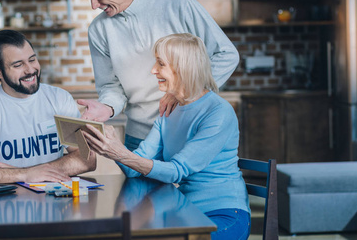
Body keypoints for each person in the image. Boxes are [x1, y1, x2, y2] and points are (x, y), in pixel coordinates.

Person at [83, 33, 250, 240]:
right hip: (185, 211)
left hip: (223, 214)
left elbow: (177, 171)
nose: (153, 70)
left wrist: (122, 154)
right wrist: (108, 144)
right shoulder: (170, 109)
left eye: (160, 64)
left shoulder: (217, 112)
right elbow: (134, 171)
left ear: (183, 67)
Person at [75, 0, 239, 151]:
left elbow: (226, 54)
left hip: (188, 132)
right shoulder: (98, 29)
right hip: (139, 138)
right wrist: (107, 107)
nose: (93, 6)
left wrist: (186, 91)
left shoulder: (179, 4)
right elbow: (110, 86)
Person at [0, 30, 96, 184]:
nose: (30, 70)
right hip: (2, 203)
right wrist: (24, 175)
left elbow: (87, 157)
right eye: (18, 65)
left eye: (32, 60)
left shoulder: (59, 99)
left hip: (54, 200)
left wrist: (35, 172)